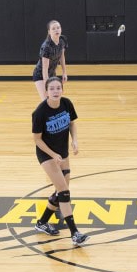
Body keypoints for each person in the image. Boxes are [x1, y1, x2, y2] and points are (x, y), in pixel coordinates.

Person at [32, 76, 88, 246]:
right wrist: (52, 154)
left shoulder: (66, 103)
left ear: (62, 89)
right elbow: (37, 140)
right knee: (64, 192)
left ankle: (42, 223)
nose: (56, 91)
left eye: (58, 88)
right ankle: (75, 233)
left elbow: (71, 123)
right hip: (47, 154)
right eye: (52, 89)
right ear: (46, 92)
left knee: (61, 191)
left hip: (62, 152)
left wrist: (75, 141)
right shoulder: (40, 112)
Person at [33, 20, 68, 100]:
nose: (56, 30)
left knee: (55, 99)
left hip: (52, 73)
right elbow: (44, 70)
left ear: (61, 29)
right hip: (40, 75)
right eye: (53, 28)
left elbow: (62, 56)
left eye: (58, 28)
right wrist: (46, 86)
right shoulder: (46, 47)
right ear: (49, 32)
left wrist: (64, 72)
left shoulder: (62, 40)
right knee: (46, 100)